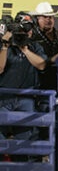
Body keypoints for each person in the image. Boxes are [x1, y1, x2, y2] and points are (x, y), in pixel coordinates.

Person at [0, 13, 48, 142]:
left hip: (27, 97)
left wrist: (25, 49)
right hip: (3, 97)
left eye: (30, 28)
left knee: (26, 140)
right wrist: (5, 45)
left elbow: (41, 65)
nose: (28, 32)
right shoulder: (4, 45)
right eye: (24, 28)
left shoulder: (35, 47)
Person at [29, 2, 58, 95]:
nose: (48, 20)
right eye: (44, 17)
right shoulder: (32, 38)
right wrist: (51, 60)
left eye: (50, 17)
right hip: (39, 80)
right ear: (37, 19)